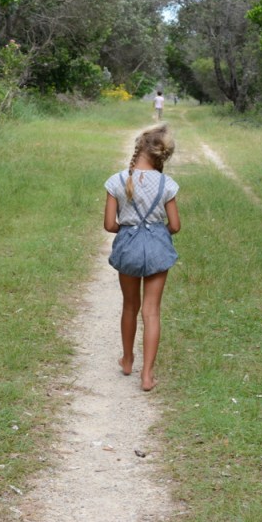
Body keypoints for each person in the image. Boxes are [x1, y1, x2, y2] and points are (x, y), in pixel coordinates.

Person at [103, 124, 180, 391]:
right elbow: (176, 225)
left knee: (129, 306)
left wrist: (130, 229)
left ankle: (127, 360)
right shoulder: (167, 184)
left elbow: (110, 225)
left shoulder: (117, 181)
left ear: (140, 148)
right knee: (152, 312)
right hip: (158, 245)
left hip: (129, 247)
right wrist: (158, 233)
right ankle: (147, 375)